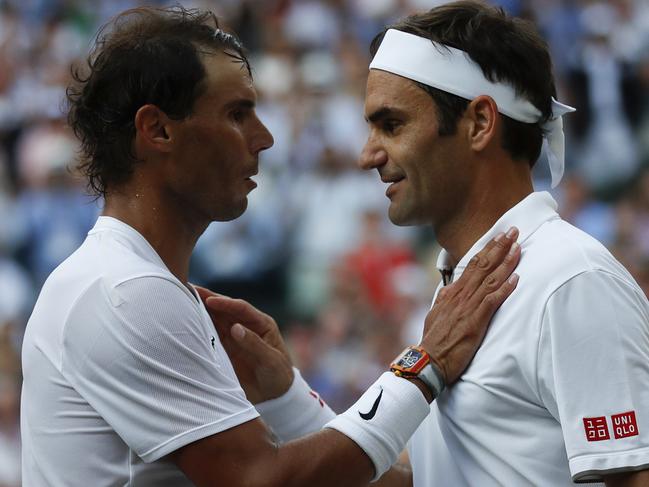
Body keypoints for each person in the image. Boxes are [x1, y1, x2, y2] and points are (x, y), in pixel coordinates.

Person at [20, 6, 521, 486]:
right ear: (158, 130)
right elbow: (262, 479)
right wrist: (425, 362)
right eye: (238, 114)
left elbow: (354, 481)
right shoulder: (125, 290)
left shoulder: (130, 283)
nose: (264, 138)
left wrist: (284, 395)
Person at [211, 1, 649, 486]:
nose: (366, 155)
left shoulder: (571, 280)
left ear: (480, 123)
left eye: (391, 124)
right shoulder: (463, 288)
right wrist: (289, 395)